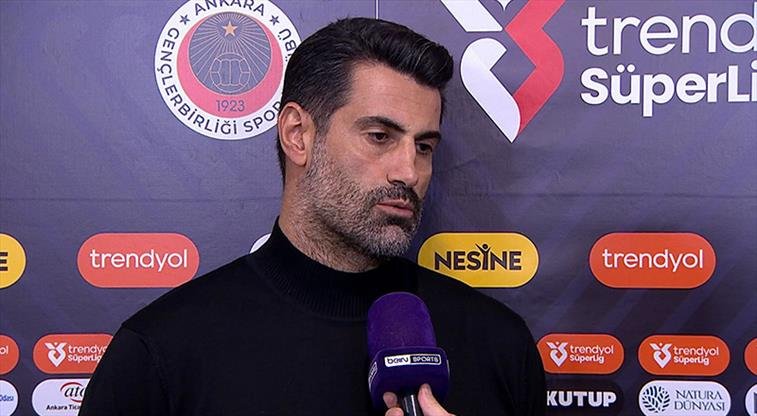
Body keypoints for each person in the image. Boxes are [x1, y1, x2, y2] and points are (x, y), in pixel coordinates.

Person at [80, 17, 545, 416]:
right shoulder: (160, 353)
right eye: (380, 136)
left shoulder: (498, 345)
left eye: (423, 146)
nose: (409, 172)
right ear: (298, 134)